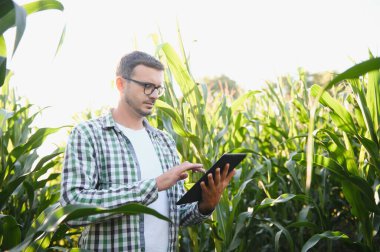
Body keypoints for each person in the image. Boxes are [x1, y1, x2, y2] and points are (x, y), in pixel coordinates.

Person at [60, 51, 236, 252]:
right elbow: (72, 209)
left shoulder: (164, 141)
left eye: (158, 88)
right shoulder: (88, 135)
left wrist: (205, 205)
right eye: (147, 87)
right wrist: (154, 186)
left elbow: (176, 214)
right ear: (121, 84)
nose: (154, 95)